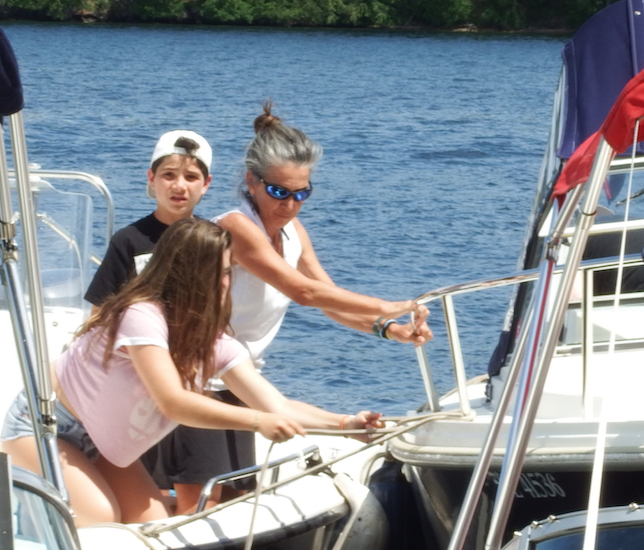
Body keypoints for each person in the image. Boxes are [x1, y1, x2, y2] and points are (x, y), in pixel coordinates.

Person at [0, 218, 382, 525]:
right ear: (185, 275)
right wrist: (256, 421)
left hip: (100, 444)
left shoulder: (213, 342)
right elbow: (174, 403)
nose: (226, 282)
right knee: (102, 518)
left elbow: (275, 403)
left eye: (228, 272)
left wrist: (347, 424)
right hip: (44, 425)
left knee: (151, 524)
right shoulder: (141, 317)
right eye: (218, 272)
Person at [154, 101, 434, 512]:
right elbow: (303, 292)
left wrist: (390, 329)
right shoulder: (235, 226)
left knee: (235, 498)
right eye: (278, 192)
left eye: (301, 194)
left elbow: (329, 299)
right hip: (197, 380)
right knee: (200, 507)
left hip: (238, 382)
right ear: (251, 181)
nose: (289, 204)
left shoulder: (292, 232)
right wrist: (393, 305)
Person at [84, 130, 212, 306]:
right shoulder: (127, 241)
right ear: (152, 178)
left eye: (191, 177)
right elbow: (100, 314)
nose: (179, 186)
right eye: (169, 175)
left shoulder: (212, 241)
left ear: (205, 184)